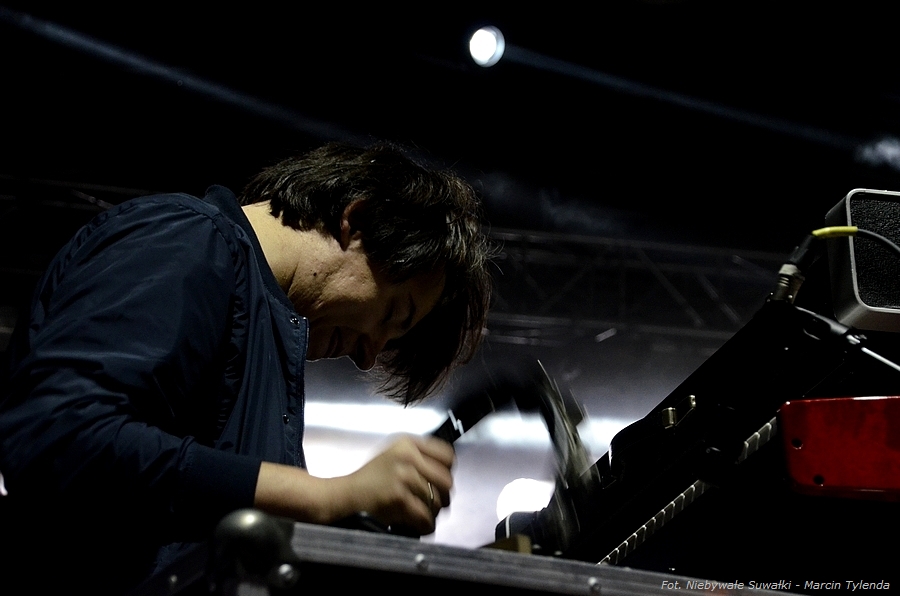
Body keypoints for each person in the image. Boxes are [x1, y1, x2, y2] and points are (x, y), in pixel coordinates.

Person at [0, 142, 492, 593]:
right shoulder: (190, 238)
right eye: (391, 314)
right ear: (356, 223)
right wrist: (323, 496)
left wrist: (350, 524)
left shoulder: (268, 346)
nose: (368, 355)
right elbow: (57, 433)